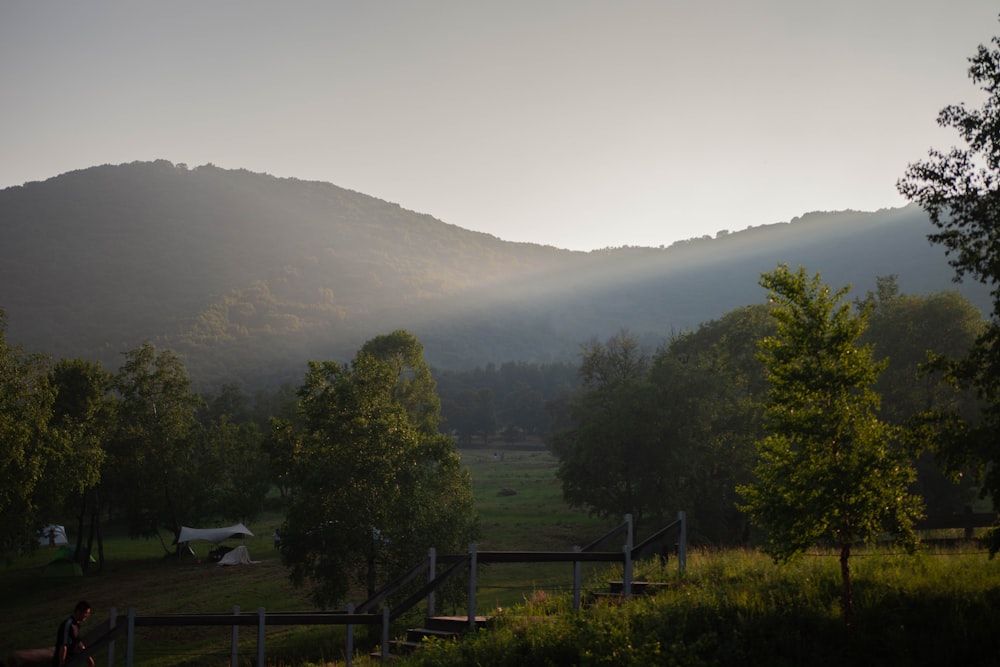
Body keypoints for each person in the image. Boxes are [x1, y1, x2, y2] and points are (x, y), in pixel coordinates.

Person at [52, 600, 94, 667]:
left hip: (71, 662)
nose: (87, 616)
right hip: (62, 662)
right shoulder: (68, 624)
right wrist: (62, 664)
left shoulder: (76, 625)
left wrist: (88, 658)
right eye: (86, 613)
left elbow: (78, 643)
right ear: (78, 611)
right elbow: (63, 646)